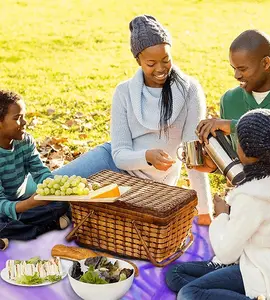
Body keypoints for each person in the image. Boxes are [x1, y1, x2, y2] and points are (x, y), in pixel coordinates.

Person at [53, 15, 213, 225]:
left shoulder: (190, 90)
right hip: (112, 163)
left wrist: (204, 211)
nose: (160, 68)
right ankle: (18, 213)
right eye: (151, 63)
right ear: (138, 60)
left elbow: (193, 156)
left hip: (149, 185)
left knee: (93, 214)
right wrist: (147, 156)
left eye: (166, 59)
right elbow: (119, 155)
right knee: (49, 188)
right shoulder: (124, 92)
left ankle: (63, 216)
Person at [166, 108, 270, 300]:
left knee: (188, 293)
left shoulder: (252, 197)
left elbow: (226, 252)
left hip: (259, 275)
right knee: (175, 274)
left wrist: (222, 215)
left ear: (244, 150)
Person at [196, 29, 270, 263]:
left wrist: (234, 126)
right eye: (233, 68)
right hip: (248, 206)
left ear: (266, 62)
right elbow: (243, 161)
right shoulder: (230, 100)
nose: (236, 75)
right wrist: (216, 166)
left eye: (242, 69)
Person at [0, 90, 70, 241]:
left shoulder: (25, 141)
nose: (24, 122)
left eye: (24, 116)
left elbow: (40, 172)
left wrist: (53, 189)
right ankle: (45, 226)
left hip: (21, 203)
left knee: (64, 203)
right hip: (5, 208)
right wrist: (28, 205)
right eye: (17, 118)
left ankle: (14, 232)